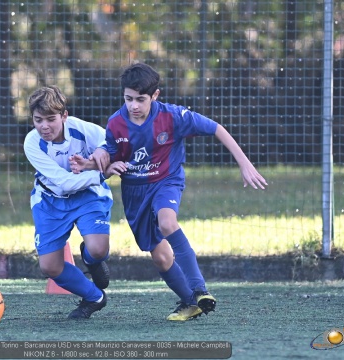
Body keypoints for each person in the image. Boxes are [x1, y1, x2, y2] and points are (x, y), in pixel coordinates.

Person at [70, 62, 268, 321]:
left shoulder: (173, 116)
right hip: (135, 192)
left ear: (155, 95)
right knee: (161, 258)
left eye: (140, 99)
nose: (134, 106)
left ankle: (199, 289)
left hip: (166, 182)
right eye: (128, 99)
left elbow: (216, 128)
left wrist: (244, 163)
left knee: (167, 221)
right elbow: (108, 159)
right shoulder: (116, 123)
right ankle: (190, 303)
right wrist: (93, 162)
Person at [23, 85, 126, 319]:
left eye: (51, 119)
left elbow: (109, 142)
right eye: (38, 120)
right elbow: (63, 183)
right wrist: (103, 172)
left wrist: (102, 153)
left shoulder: (82, 129)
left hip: (88, 195)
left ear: (64, 116)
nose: (44, 126)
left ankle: (92, 260)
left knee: (98, 250)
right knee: (49, 266)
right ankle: (94, 297)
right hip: (50, 201)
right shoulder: (32, 143)